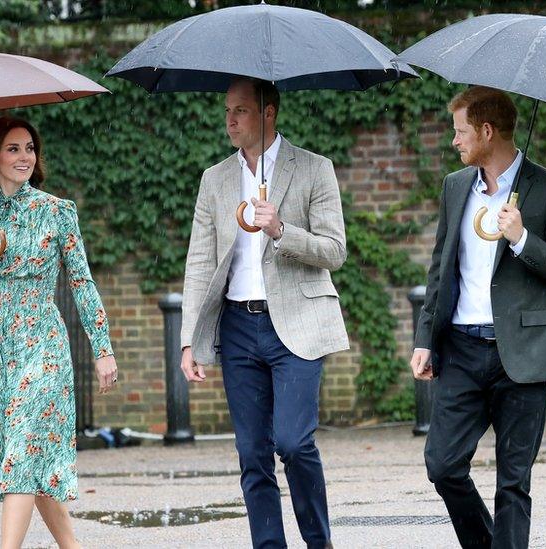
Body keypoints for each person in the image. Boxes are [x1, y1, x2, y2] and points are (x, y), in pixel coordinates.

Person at [411, 86, 546, 548]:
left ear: (487, 132)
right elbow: (439, 268)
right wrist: (425, 337)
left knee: (513, 483)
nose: (455, 141)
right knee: (443, 466)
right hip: (462, 351)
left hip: (524, 357)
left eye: (461, 132)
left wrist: (524, 238)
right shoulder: (455, 186)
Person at [180, 77, 348, 549]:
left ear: (268, 113)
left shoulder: (315, 169)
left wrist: (281, 229)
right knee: (253, 454)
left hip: (296, 325)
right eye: (227, 111)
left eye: (240, 111)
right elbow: (198, 261)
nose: (229, 120)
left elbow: (335, 251)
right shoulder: (214, 179)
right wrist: (190, 338)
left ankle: (319, 543)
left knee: (293, 443)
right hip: (236, 327)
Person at [0, 116, 118, 549]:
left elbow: (82, 282)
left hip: (43, 344)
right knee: (31, 461)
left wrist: (103, 350)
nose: (24, 156)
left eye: (29, 148)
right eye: (13, 149)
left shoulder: (56, 211)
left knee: (24, 449)